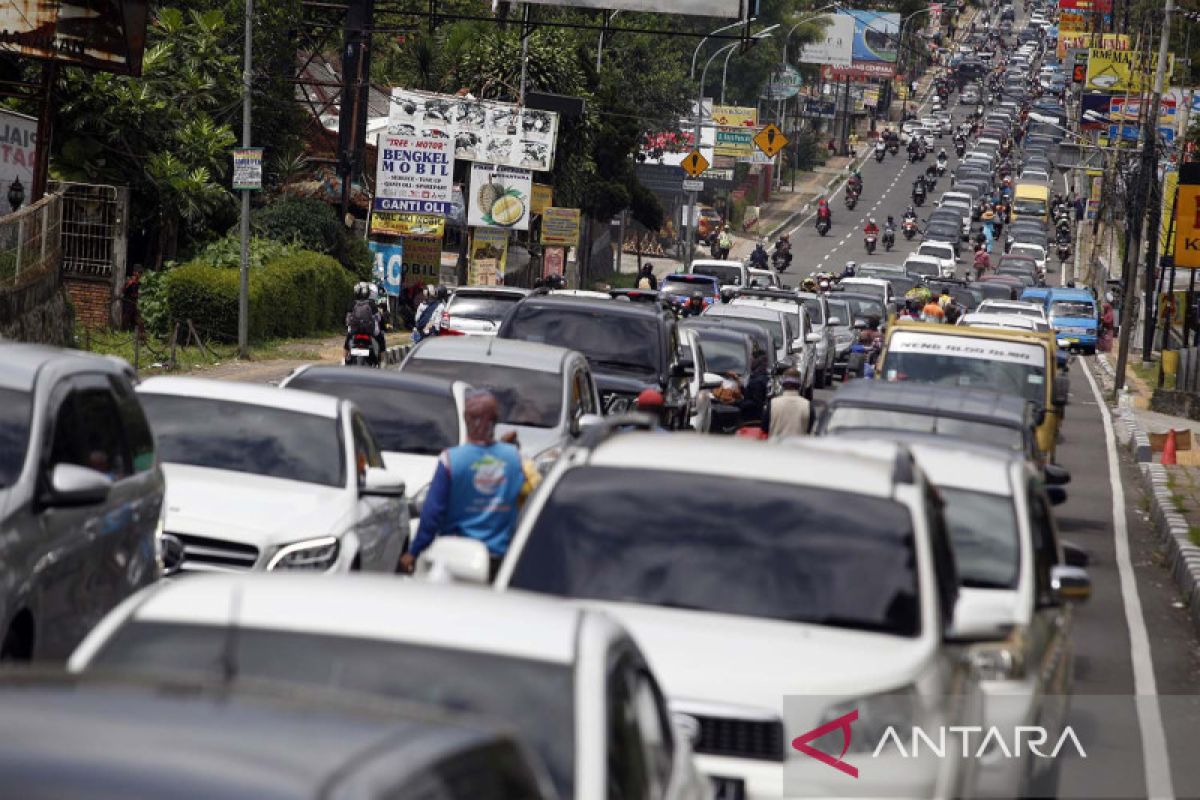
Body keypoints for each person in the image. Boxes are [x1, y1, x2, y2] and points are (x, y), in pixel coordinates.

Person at [400, 391, 528, 581]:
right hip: (501, 562)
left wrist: (414, 551)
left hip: (455, 559)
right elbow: (526, 501)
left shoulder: (451, 460)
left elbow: (432, 515)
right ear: (495, 420)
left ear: (466, 419)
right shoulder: (514, 459)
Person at [762, 368, 810, 440]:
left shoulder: (773, 404)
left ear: (783, 384)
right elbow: (809, 430)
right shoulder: (808, 406)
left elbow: (764, 428)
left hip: (774, 449)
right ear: (799, 385)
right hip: (798, 449)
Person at [345, 282, 382, 361]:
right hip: (369, 331)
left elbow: (347, 319)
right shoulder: (371, 303)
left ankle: (344, 358)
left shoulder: (353, 303)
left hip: (354, 331)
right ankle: (382, 361)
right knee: (381, 339)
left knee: (347, 340)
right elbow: (378, 318)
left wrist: (349, 325)